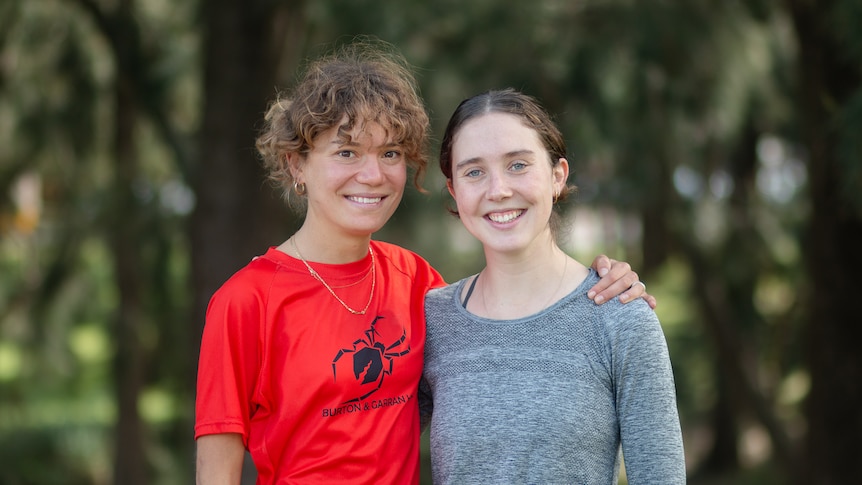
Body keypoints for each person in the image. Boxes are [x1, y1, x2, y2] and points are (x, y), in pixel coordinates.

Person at [194, 40, 651, 484]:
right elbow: (216, 474)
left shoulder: (418, 284)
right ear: (297, 165)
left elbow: (495, 362)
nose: (372, 175)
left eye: (389, 153)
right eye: (347, 152)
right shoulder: (244, 302)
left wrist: (606, 283)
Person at [420, 88, 685, 484]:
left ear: (557, 176)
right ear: (455, 192)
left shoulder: (620, 316)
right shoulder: (432, 320)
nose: (498, 190)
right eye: (474, 172)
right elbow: (365, 446)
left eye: (518, 165)